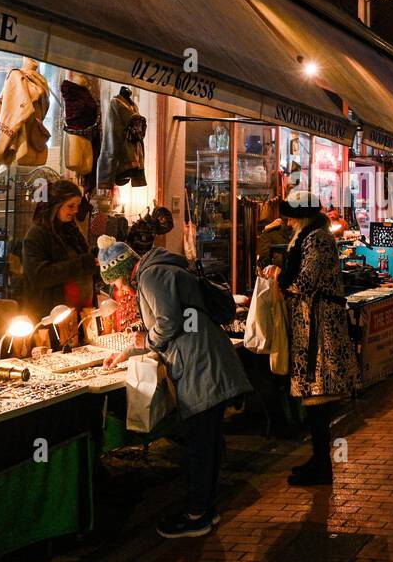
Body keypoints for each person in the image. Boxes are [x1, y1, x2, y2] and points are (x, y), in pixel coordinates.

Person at [101, 236, 252, 538]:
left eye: (115, 285)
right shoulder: (159, 270)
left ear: (120, 274)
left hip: (202, 365)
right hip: (204, 359)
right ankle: (206, 508)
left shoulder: (152, 275)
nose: (119, 292)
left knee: (199, 443)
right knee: (204, 440)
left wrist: (145, 341)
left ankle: (198, 515)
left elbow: (168, 322)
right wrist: (129, 352)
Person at [263, 190, 361, 486]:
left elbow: (305, 280)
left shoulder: (317, 238)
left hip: (320, 329)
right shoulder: (308, 235)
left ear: (301, 216)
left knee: (319, 397)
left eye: (291, 216)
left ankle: (322, 465)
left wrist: (278, 279)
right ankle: (319, 459)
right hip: (312, 326)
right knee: (314, 398)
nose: (288, 222)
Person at [21, 179, 98, 321]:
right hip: (52, 318)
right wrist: (83, 263)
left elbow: (84, 262)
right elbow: (39, 276)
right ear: (55, 205)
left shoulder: (71, 230)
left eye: (77, 206)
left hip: (81, 317)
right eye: (70, 206)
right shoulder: (37, 234)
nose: (76, 210)